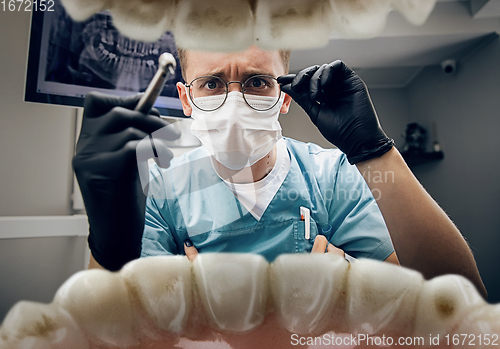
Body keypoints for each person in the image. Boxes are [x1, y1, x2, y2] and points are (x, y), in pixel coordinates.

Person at [74, 46, 487, 298]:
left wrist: (375, 152)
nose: (234, 103)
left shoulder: (332, 175)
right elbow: (112, 327)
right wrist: (108, 243)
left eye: (256, 82)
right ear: (186, 98)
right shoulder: (163, 189)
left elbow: (459, 300)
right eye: (212, 84)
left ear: (284, 96)